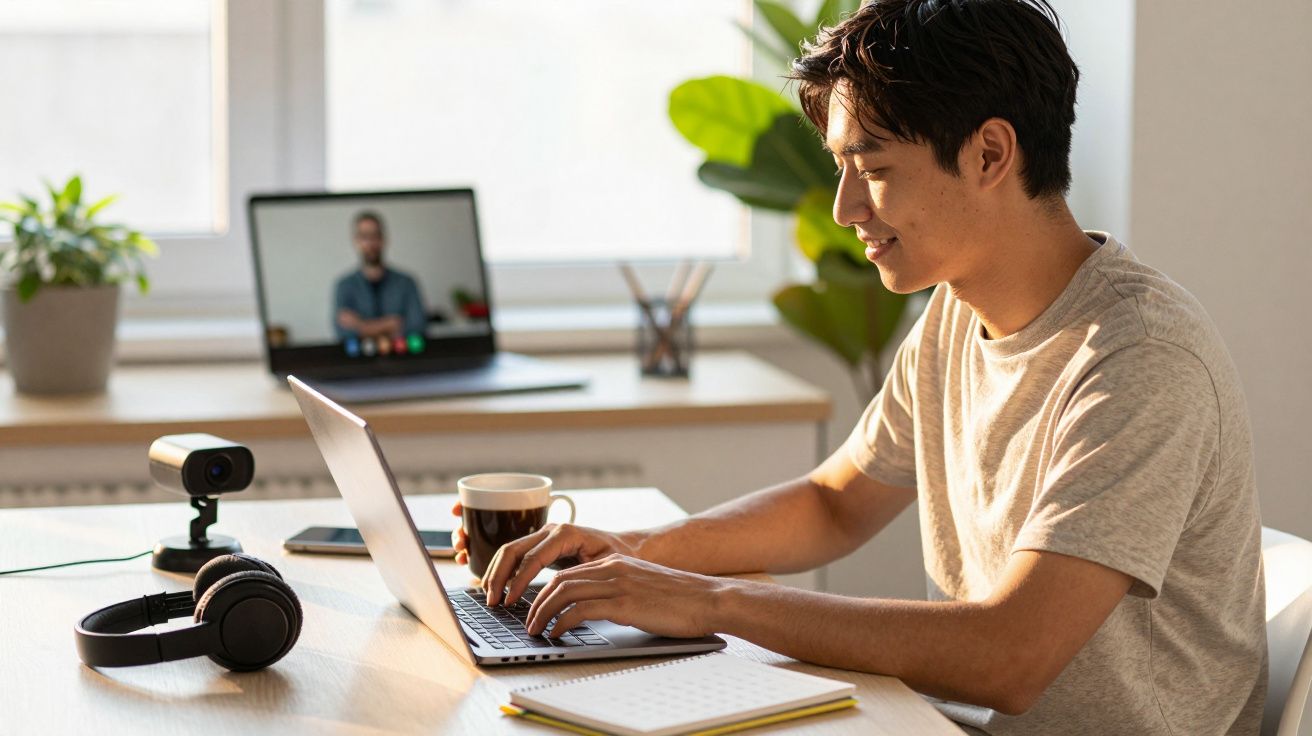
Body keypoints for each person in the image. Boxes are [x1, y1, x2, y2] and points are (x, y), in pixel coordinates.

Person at [453, 1, 1267, 733]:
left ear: (990, 153)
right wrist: (630, 553)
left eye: (873, 171)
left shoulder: (1139, 357)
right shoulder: (956, 313)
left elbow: (1010, 657)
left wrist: (711, 601)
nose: (846, 209)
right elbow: (835, 504)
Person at [332, 211, 427, 341]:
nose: (371, 242)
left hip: (402, 353)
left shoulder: (406, 283)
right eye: (364, 236)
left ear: (384, 239)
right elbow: (342, 333)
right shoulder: (344, 285)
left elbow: (417, 327)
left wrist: (359, 325)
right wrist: (391, 324)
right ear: (356, 241)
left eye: (375, 235)